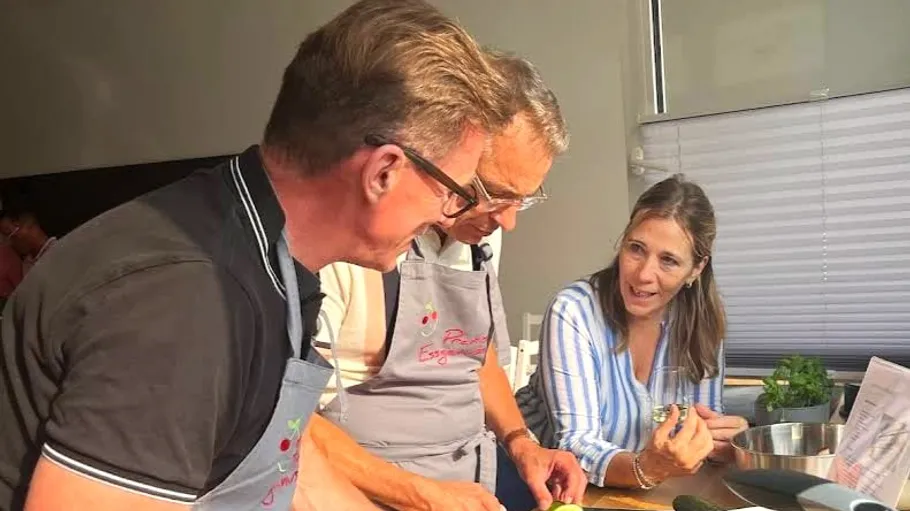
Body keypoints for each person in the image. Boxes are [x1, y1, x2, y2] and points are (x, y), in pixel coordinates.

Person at [0, 0, 514, 509]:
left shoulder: (276, 261)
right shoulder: (190, 300)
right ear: (384, 172)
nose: (448, 214)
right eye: (455, 192)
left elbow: (287, 461)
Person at [309, 50, 586, 511]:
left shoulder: (480, 236)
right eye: (494, 194)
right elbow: (293, 428)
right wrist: (424, 495)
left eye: (522, 199)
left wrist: (521, 442)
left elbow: (474, 353)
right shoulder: (351, 248)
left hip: (473, 485)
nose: (508, 221)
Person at [516, 175, 749, 490]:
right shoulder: (573, 312)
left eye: (668, 260)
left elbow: (700, 430)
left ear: (696, 268)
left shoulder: (702, 324)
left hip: (641, 490)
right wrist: (647, 468)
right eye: (636, 249)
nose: (643, 274)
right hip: (544, 489)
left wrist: (723, 444)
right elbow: (575, 445)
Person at [0, 210, 57, 275]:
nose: (12, 242)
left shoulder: (59, 249)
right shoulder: (26, 265)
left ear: (30, 225)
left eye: (12, 235)